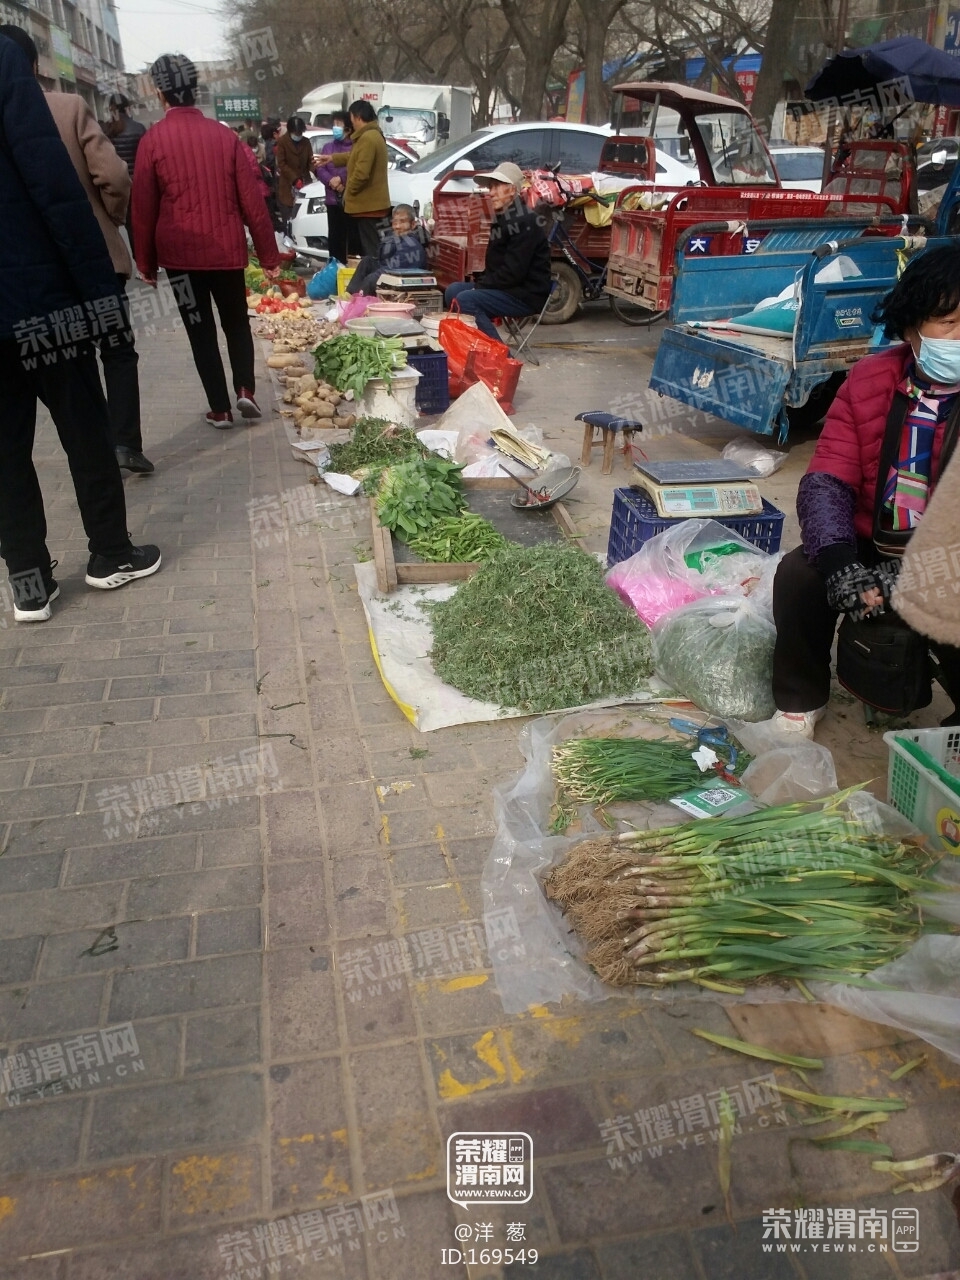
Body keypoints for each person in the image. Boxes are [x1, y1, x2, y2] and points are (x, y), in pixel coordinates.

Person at [769, 242, 960, 737]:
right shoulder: (870, 378)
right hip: (873, 541)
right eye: (949, 323)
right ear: (913, 325)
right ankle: (800, 698)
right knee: (799, 575)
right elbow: (828, 478)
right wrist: (841, 566)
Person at [0, 33, 161, 622]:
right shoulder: (10, 74)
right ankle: (110, 554)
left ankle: (28, 584)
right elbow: (56, 192)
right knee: (85, 428)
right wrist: (99, 295)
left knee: (4, 451)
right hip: (40, 301)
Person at [131, 53, 281, 429]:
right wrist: (269, 255)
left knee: (200, 332)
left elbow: (143, 209)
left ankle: (220, 408)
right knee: (236, 324)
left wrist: (145, 263)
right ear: (194, 91)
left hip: (179, 259)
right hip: (226, 253)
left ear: (161, 93)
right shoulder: (225, 137)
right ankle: (245, 389)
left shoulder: (152, 141)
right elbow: (254, 204)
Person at [443, 161, 551, 342]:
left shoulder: (524, 221)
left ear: (511, 190)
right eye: (490, 187)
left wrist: (481, 286)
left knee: (466, 300)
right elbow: (496, 265)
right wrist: (481, 283)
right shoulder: (504, 217)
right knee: (453, 291)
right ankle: (470, 346)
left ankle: (498, 355)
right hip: (508, 287)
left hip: (525, 294)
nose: (490, 192)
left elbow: (513, 273)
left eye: (496, 187)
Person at [327, 99, 390, 257]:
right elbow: (355, 156)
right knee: (370, 249)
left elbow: (361, 174)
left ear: (358, 117)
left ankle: (372, 280)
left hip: (368, 206)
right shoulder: (371, 135)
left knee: (369, 252)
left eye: (352, 118)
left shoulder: (368, 138)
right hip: (369, 206)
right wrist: (332, 158)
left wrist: (348, 192)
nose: (352, 122)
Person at [346, 204, 427, 295]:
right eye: (395, 222)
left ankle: (358, 300)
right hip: (391, 271)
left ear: (413, 225)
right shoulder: (395, 237)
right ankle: (349, 296)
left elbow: (390, 270)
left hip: (403, 279)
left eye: (402, 222)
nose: (397, 226)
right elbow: (382, 260)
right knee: (367, 262)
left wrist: (364, 288)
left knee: (371, 280)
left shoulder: (410, 245)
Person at [103, 90, 146, 258]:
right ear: (128, 107)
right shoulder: (139, 128)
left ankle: (125, 260)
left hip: (117, 184)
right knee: (140, 223)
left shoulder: (108, 130)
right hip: (139, 182)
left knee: (122, 224)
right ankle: (144, 258)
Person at [313, 110, 359, 264]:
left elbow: (356, 167)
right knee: (334, 237)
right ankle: (334, 268)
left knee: (352, 238)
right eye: (334, 124)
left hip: (350, 200)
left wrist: (342, 180)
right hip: (332, 200)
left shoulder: (355, 147)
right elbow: (320, 168)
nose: (335, 128)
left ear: (348, 128)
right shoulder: (328, 147)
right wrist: (331, 181)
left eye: (339, 124)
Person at [275, 115, 313, 233]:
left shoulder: (306, 142)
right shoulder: (282, 142)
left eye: (300, 132)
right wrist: (294, 179)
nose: (298, 135)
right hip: (288, 185)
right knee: (289, 217)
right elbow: (281, 164)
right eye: (296, 132)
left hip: (305, 183)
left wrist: (313, 173)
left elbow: (310, 160)